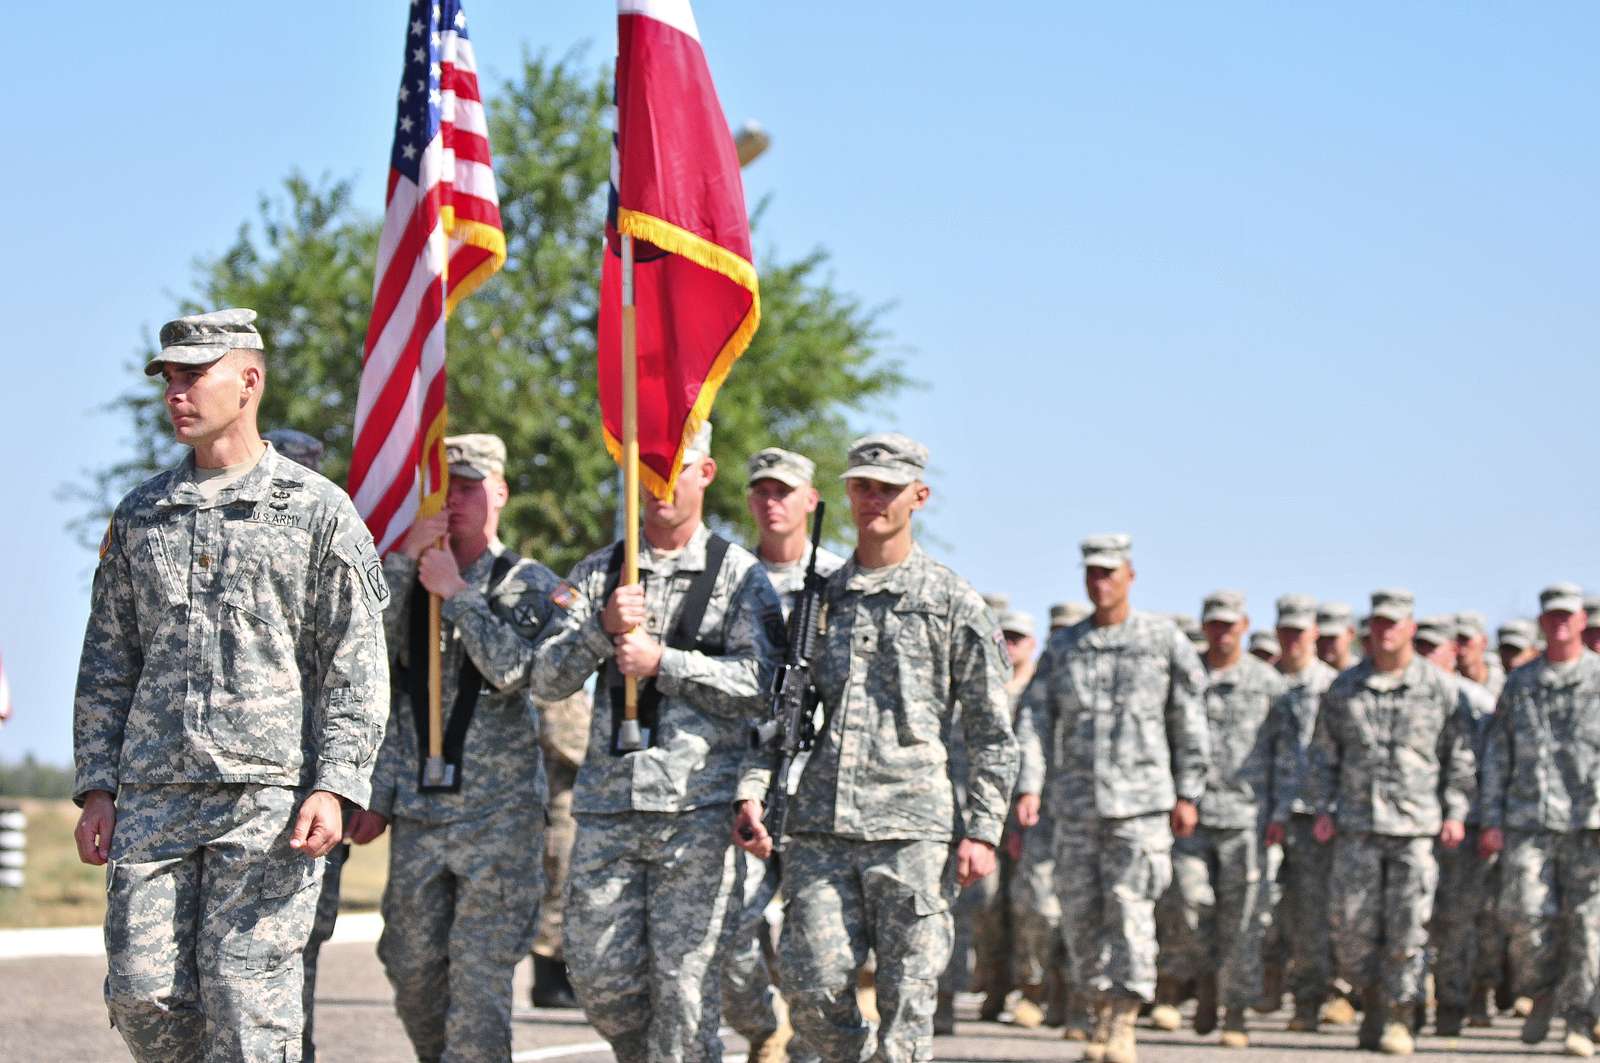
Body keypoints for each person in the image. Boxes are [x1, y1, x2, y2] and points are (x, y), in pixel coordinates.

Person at [72, 308, 389, 1062]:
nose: (175, 392)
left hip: (266, 801)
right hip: (155, 797)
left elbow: (355, 662)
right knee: (142, 994)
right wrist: (96, 784)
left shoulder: (316, 511)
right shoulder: (143, 513)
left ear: (248, 381)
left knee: (249, 1011)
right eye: (169, 378)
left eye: (193, 375)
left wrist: (337, 783)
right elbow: (108, 659)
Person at [733, 432, 1018, 1063]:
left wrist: (983, 830)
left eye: (887, 489)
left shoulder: (952, 603)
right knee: (813, 994)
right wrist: (754, 788)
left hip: (914, 833)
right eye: (862, 486)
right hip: (822, 828)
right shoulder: (819, 600)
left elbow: (993, 731)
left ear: (918, 496)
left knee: (906, 1012)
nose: (872, 501)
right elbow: (785, 713)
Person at [531, 422, 785, 1063]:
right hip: (609, 809)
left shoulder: (740, 577)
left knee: (685, 997)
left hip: (696, 816)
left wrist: (662, 661)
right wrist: (600, 628)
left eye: (676, 468)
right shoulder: (603, 571)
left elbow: (764, 687)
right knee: (601, 982)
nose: (660, 485)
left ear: (706, 473)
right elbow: (545, 678)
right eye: (648, 470)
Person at [345, 433, 566, 1061]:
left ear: (499, 491)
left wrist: (459, 595)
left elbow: (519, 673)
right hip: (420, 810)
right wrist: (404, 565)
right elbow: (366, 661)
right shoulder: (408, 578)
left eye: (469, 485)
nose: (455, 499)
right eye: (444, 485)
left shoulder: (529, 585)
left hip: (499, 815)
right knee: (410, 967)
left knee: (478, 979)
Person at [1014, 533, 1210, 1063]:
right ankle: (1095, 1007)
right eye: (1092, 573)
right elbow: (1033, 720)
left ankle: (1123, 1020)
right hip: (1075, 806)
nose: (1100, 582)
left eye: (1110, 573)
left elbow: (1189, 719)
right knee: (1078, 915)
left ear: (1130, 576)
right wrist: (1030, 783)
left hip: (1141, 805)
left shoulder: (1162, 640)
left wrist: (1189, 790)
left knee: (1129, 910)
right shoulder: (1065, 647)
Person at [1306, 589, 1476, 1056]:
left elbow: (1459, 756)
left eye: (1394, 623)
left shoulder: (1439, 688)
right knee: (1353, 930)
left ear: (1410, 628)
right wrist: (1324, 808)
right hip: (1357, 828)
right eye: (1378, 624)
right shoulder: (1344, 688)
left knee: (1408, 929)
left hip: (1415, 830)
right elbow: (1323, 756)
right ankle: (1372, 1003)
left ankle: (1399, 1017)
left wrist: (1456, 811)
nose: (1385, 632)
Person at [734, 445, 846, 1061]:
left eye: (785, 491)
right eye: (762, 491)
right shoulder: (730, 577)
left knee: (814, 938)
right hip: (738, 780)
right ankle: (761, 1028)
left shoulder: (839, 581)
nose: (771, 502)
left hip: (814, 779)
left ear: (811, 501)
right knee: (731, 933)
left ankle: (807, 1038)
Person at [1480, 583, 1600, 1055]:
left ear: (1581, 621)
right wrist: (1491, 818)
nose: (1561, 623)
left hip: (1591, 824)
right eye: (1552, 617)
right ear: (1543, 622)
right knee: (1527, 918)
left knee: (1589, 927)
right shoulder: (1521, 683)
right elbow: (1497, 755)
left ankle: (1579, 1018)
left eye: (1568, 615)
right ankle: (1544, 993)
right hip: (1529, 821)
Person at [1162, 591, 1284, 1048]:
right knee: (1190, 906)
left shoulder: (1267, 683)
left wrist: (1279, 812)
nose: (1222, 631)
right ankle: (1204, 980)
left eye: (1230, 624)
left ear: (1245, 625)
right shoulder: (1185, 675)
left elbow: (1283, 755)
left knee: (1243, 920)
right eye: (1214, 623)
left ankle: (1234, 1010)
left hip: (1246, 820)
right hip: (1190, 816)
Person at [261, 427, 345, 1063]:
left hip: (312, 787)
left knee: (299, 943)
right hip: (238, 783)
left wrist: (349, 783)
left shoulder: (333, 543)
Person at [1413, 615, 1498, 1035]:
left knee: (1457, 921)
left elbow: (1488, 767)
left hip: (1463, 831)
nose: (1427, 656)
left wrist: (1479, 820)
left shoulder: (1476, 702)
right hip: (1410, 825)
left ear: (1454, 652)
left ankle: (1451, 1003)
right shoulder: (1406, 693)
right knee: (1411, 917)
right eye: (1421, 647)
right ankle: (1408, 1003)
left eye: (1436, 648)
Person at [1263, 594, 1343, 1032]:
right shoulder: (1266, 683)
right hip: (1267, 815)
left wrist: (1332, 807)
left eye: (1300, 632)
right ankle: (1265, 984)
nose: (1292, 640)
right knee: (1266, 911)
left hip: (1314, 818)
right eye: (1285, 632)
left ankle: (1310, 1001)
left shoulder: (1334, 686)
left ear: (1314, 634)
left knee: (1312, 914)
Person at [529, 688, 590, 1009]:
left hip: (579, 803)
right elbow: (566, 739)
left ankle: (564, 976)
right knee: (557, 889)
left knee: (570, 891)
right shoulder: (559, 686)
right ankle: (548, 982)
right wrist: (611, 757)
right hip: (561, 804)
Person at [1454, 611, 1505, 698]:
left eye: (1465, 639)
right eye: (1455, 639)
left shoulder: (1504, 681)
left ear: (1484, 642)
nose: (1459, 646)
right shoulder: (1447, 683)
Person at [1316, 602, 1359, 671]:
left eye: (1332, 638)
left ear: (1351, 634)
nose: (1325, 643)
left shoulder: (1366, 674)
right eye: (1321, 637)